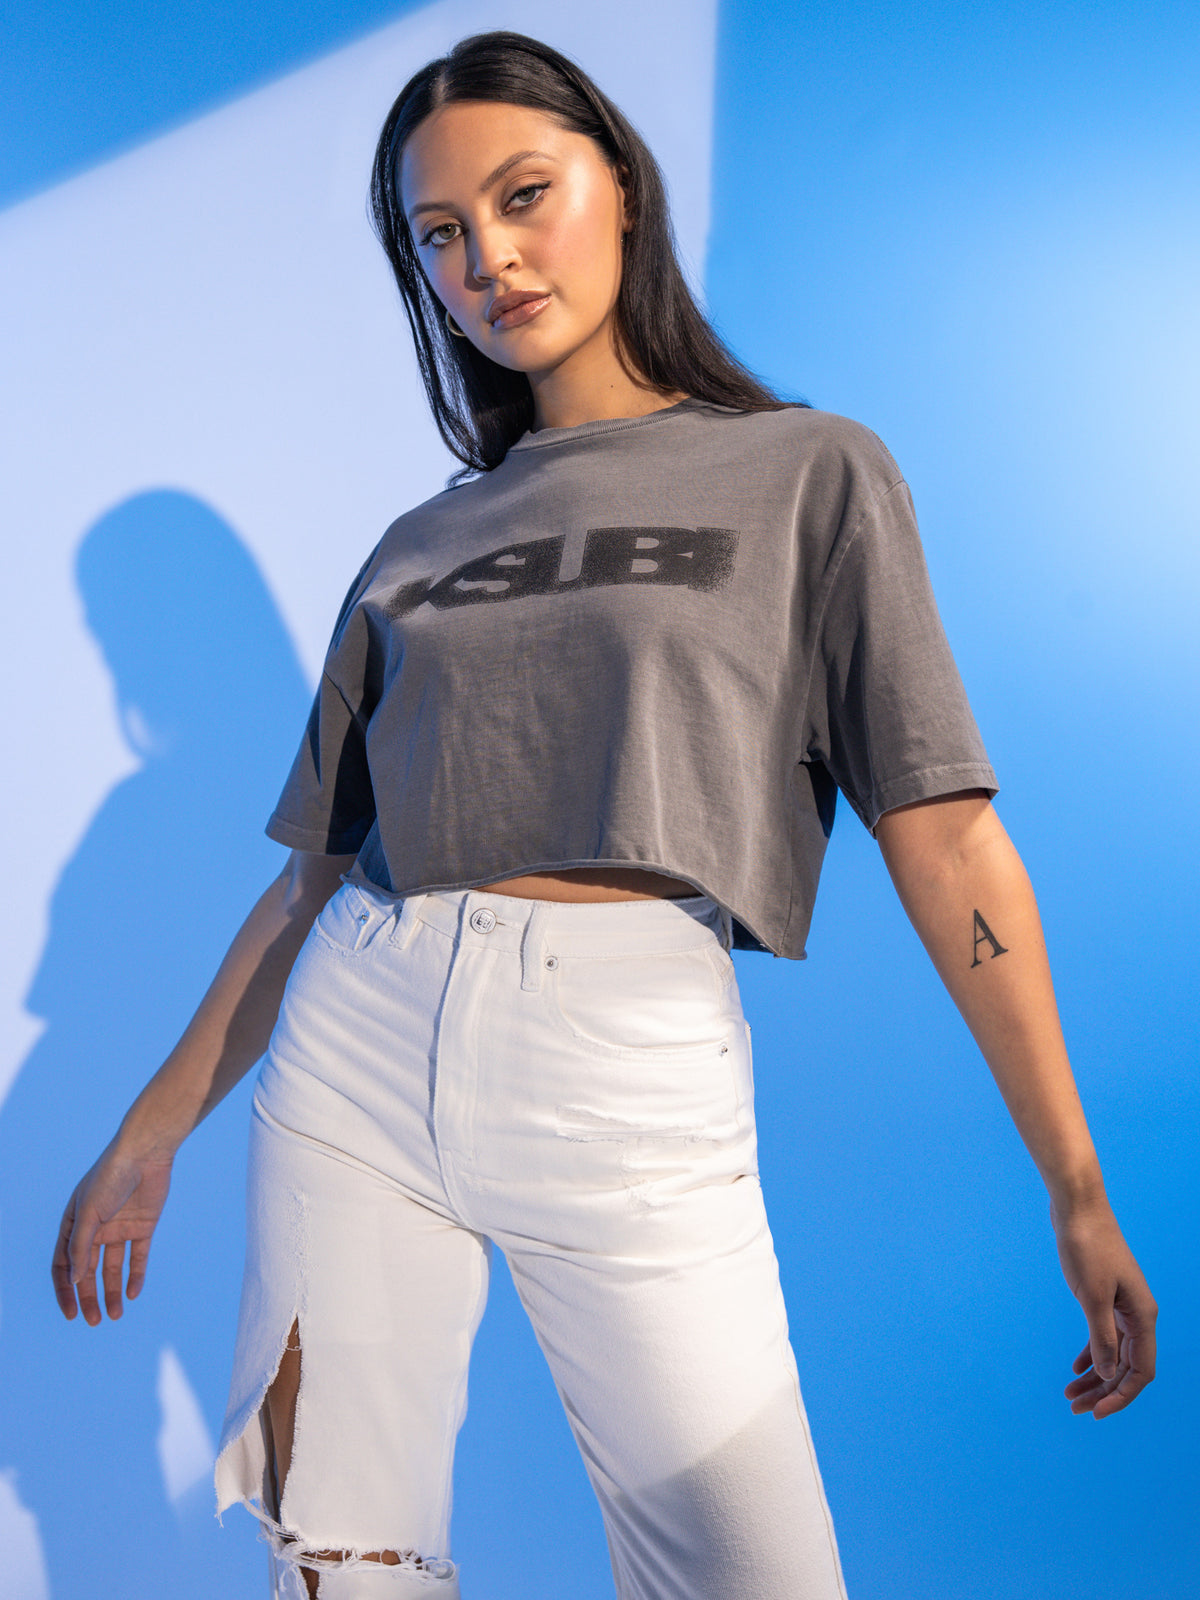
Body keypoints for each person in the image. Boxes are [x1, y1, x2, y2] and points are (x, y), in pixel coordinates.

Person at [52, 29, 1157, 1600]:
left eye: (524, 197)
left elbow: (950, 840)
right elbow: (311, 885)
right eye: (441, 234)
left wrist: (1076, 1187)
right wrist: (148, 1132)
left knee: (758, 1576)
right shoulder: (418, 546)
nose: (489, 260)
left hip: (627, 1061)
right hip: (359, 1045)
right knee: (342, 1564)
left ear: (620, 186)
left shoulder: (810, 474)